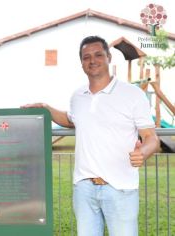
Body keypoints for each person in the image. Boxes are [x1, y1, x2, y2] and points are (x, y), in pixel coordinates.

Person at [22, 36, 159, 236]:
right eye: (86, 57)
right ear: (81, 63)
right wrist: (46, 108)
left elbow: (151, 137)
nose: (92, 60)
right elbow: (71, 120)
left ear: (108, 57)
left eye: (98, 55)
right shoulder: (78, 96)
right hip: (84, 189)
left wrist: (144, 152)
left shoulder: (132, 94)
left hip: (120, 188)